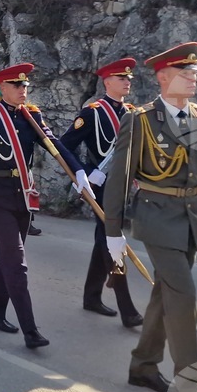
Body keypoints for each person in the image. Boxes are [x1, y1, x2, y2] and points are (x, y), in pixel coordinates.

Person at [103, 42, 197, 392]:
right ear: (163, 77)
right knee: (183, 298)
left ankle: (142, 365)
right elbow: (119, 179)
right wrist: (113, 231)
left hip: (193, 220)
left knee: (165, 295)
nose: (192, 79)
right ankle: (190, 391)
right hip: (156, 219)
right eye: (185, 74)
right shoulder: (140, 120)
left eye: (194, 74)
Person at [0, 64, 93, 350]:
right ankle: (30, 330)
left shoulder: (31, 117)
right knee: (17, 263)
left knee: (8, 258)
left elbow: (54, 144)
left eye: (25, 86)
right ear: (3, 88)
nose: (23, 90)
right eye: (16, 86)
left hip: (23, 194)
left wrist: (78, 170)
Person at [59, 57, 144, 328]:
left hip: (123, 185)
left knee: (103, 239)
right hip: (102, 186)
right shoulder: (92, 113)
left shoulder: (133, 112)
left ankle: (91, 297)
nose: (127, 82)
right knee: (112, 240)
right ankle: (127, 308)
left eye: (129, 78)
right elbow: (63, 147)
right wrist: (84, 171)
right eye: (122, 78)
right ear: (107, 82)